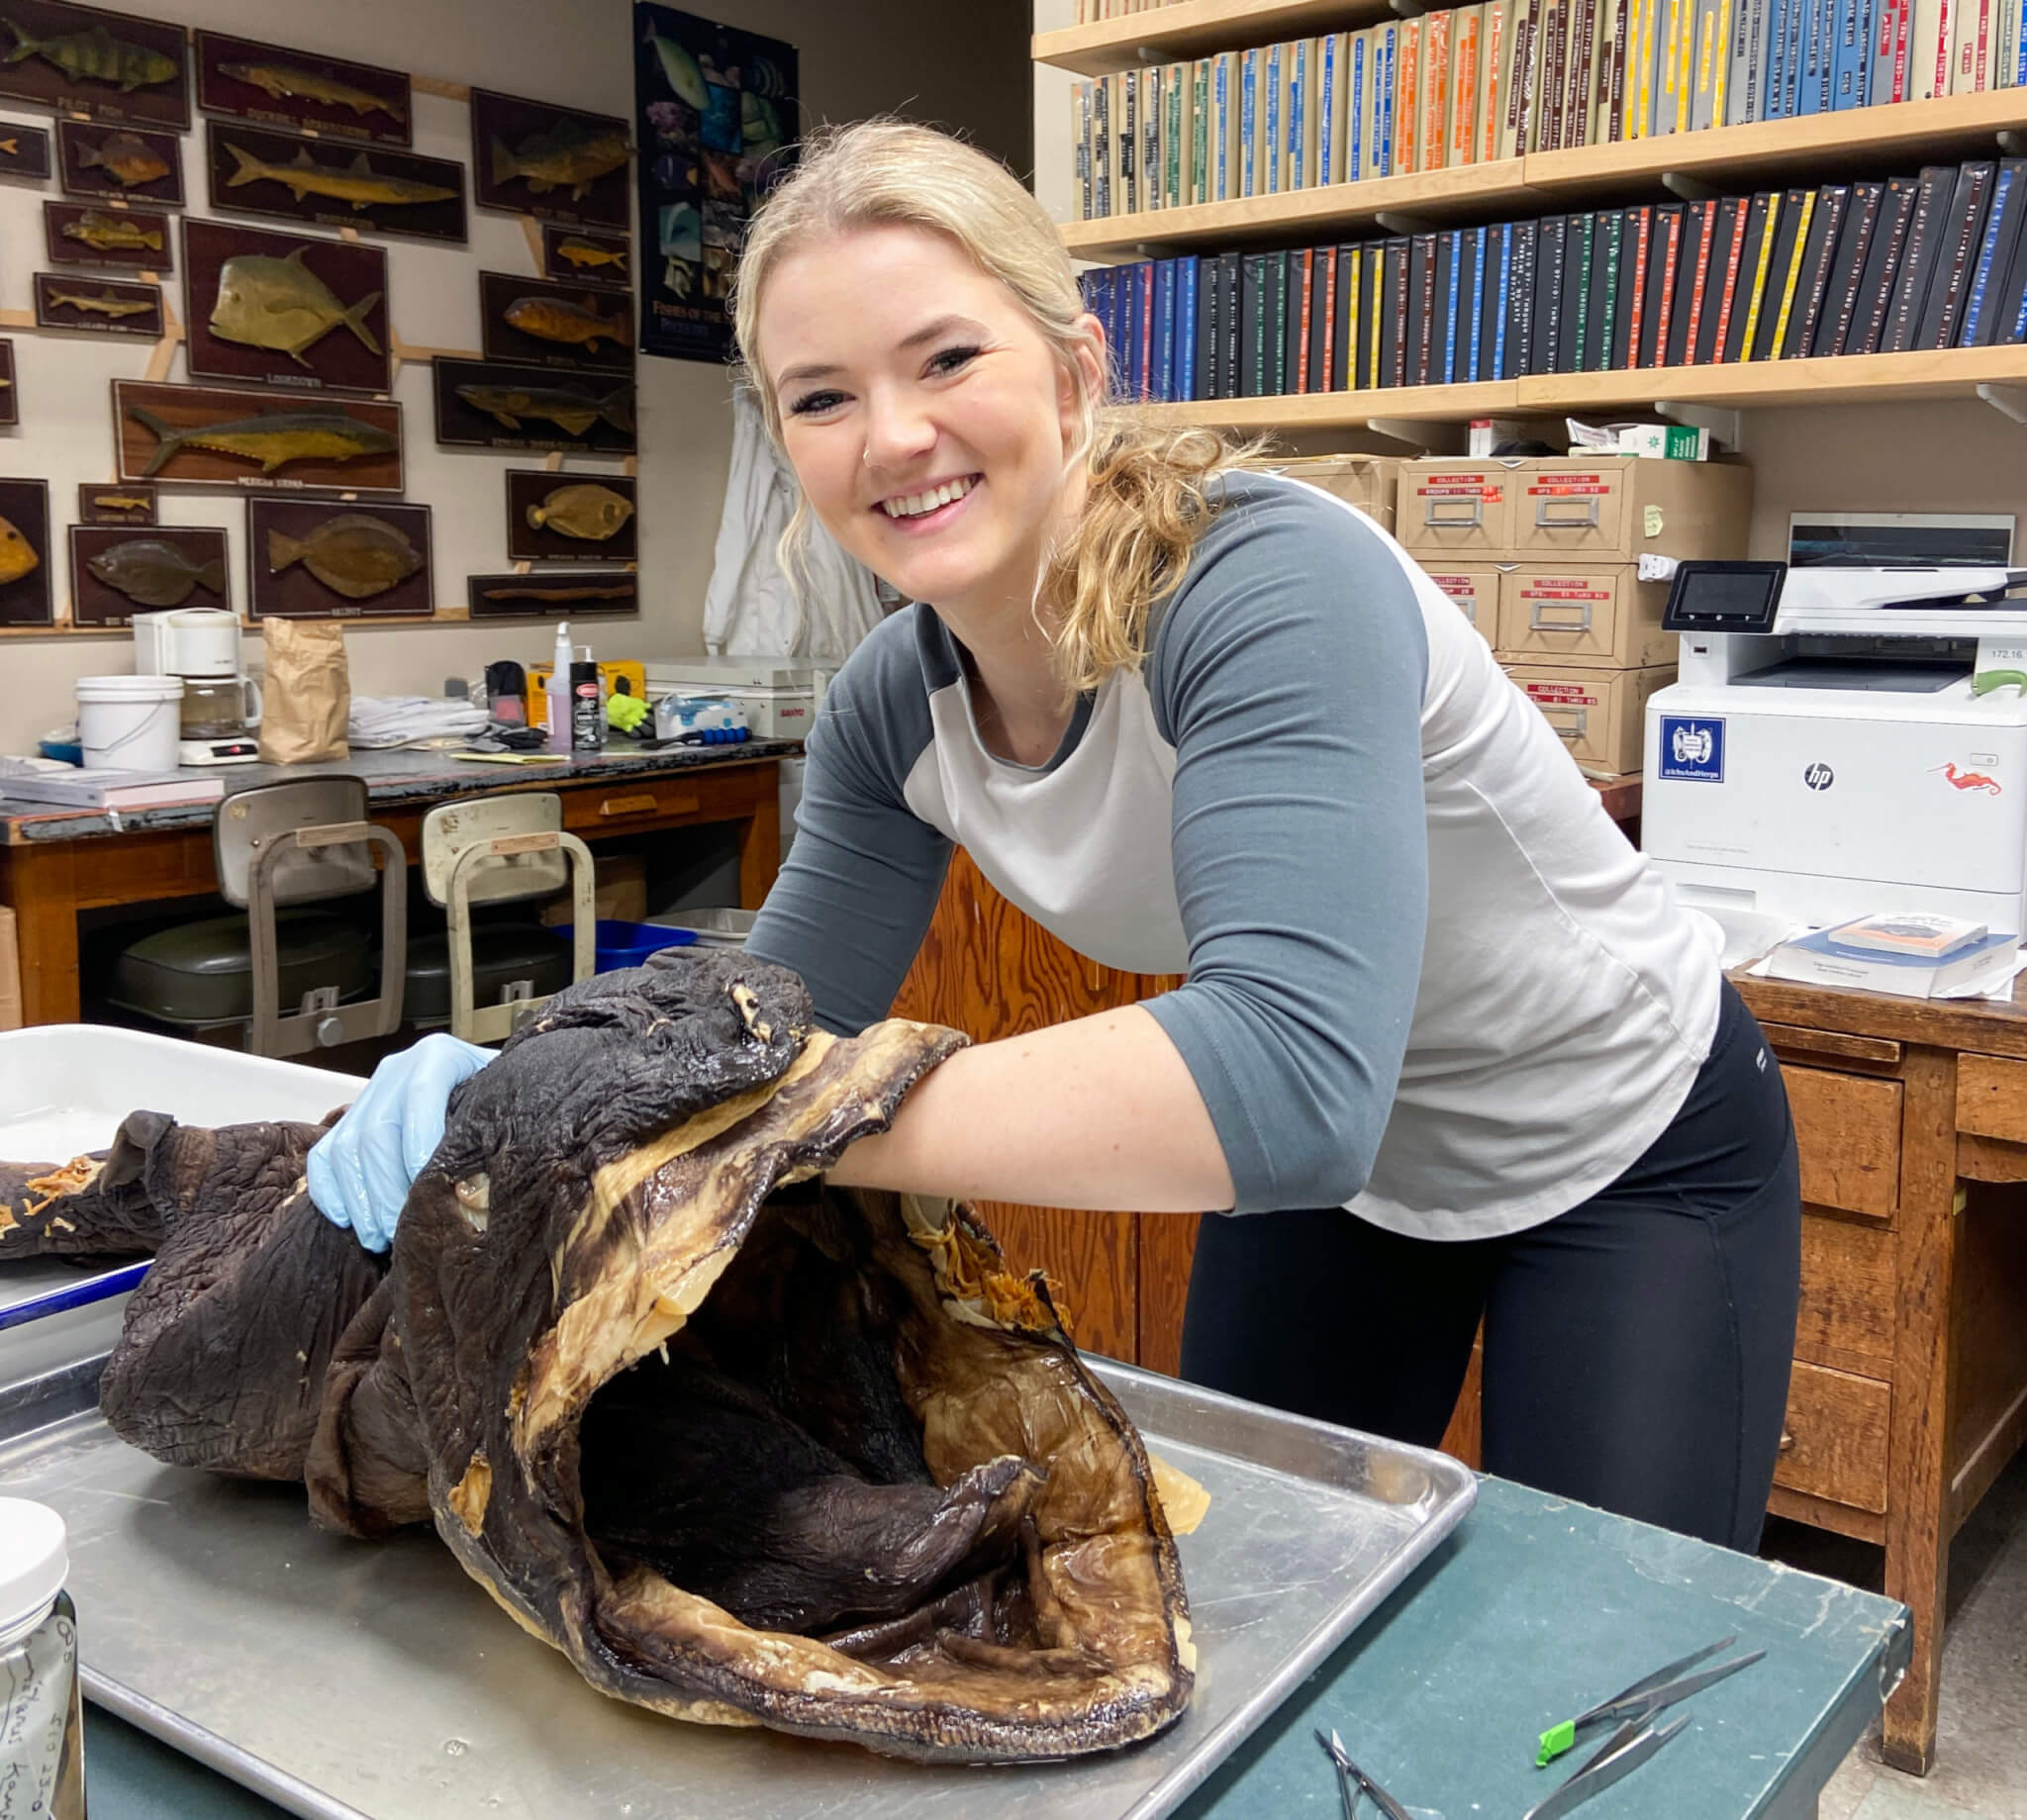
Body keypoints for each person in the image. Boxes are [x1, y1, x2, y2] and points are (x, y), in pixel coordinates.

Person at [308, 120, 1800, 1553]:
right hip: (1342, 1192)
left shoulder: (1264, 588)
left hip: (1624, 1136)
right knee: (1258, 1581)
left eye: (948, 358)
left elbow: (1287, 1077)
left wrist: (778, 1120)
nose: (894, 436)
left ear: (1077, 368)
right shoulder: (891, 708)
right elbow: (777, 1023)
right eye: (821, 398)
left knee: (1625, 1656)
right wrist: (535, 1080)